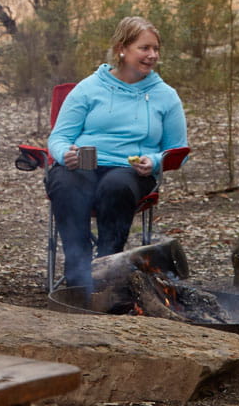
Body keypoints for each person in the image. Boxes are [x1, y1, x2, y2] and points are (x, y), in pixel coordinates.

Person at [45, 16, 189, 291]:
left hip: (132, 172)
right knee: (65, 183)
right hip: (83, 164)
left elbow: (178, 151)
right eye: (144, 48)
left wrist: (156, 160)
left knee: (116, 186)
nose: (152, 55)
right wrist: (65, 154)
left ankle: (106, 274)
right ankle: (77, 273)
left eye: (155, 49)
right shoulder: (89, 88)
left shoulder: (165, 96)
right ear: (122, 48)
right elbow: (60, 137)